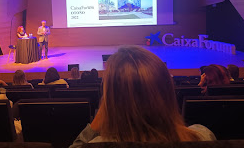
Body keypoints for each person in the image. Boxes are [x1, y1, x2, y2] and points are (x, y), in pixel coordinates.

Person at [70, 46, 215, 147]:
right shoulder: (202, 136)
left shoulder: (97, 144)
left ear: (111, 101)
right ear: (166, 91)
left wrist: (95, 124)